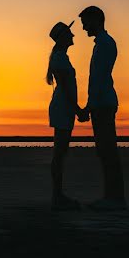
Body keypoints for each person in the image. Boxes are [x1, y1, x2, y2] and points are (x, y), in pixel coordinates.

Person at [79, 5, 127, 210]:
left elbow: (99, 79)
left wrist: (88, 107)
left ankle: (114, 199)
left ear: (96, 21)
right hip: (102, 102)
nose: (83, 28)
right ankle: (111, 196)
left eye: (85, 23)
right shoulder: (102, 43)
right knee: (105, 151)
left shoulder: (106, 43)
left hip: (103, 103)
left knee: (107, 151)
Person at [45, 20, 87, 211]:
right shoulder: (60, 58)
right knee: (60, 153)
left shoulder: (61, 57)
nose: (73, 36)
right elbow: (65, 87)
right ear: (63, 37)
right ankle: (57, 196)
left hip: (64, 107)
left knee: (60, 153)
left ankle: (57, 195)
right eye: (70, 33)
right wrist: (77, 109)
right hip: (63, 107)